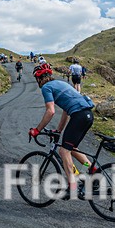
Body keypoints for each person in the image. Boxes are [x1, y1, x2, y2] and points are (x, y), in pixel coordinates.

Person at [28, 63, 97, 199]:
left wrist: (37, 130)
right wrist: (59, 130)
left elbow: (50, 111)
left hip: (79, 115)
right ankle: (93, 170)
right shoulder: (60, 83)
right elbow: (66, 110)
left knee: (63, 151)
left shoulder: (46, 87)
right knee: (72, 148)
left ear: (39, 79)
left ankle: (72, 186)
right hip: (88, 115)